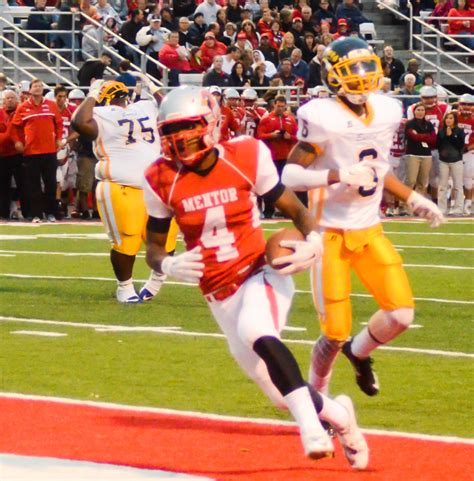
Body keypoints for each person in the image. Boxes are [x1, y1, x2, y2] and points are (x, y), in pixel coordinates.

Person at [142, 85, 369, 469]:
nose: (179, 137)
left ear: (210, 123)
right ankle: (343, 418)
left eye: (187, 126)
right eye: (170, 130)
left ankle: (311, 431)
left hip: (258, 271)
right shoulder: (160, 177)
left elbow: (295, 209)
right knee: (280, 391)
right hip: (216, 290)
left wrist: (314, 240)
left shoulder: (245, 155)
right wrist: (166, 265)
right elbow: (153, 246)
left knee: (255, 330)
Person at [281, 38, 444, 397]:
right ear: (332, 76)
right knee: (335, 331)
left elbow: (379, 169)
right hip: (329, 235)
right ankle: (317, 396)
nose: (360, 77)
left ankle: (359, 353)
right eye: (350, 71)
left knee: (401, 315)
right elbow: (289, 177)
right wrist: (338, 176)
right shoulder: (321, 115)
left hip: (370, 230)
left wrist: (413, 197)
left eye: (365, 68)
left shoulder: (387, 110)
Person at [71, 77, 177, 303]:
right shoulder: (145, 107)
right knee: (163, 240)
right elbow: (172, 109)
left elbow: (79, 122)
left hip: (125, 184)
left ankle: (126, 287)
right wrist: (155, 88)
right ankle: (151, 283)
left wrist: (91, 93)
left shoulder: (102, 113)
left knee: (129, 242)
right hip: (150, 185)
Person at [11, 78, 63, 223]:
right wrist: (17, 142)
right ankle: (36, 214)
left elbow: (59, 124)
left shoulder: (51, 105)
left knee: (51, 184)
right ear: (30, 89)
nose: (38, 88)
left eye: (40, 86)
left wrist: (59, 139)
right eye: (35, 86)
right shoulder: (22, 107)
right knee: (33, 185)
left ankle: (51, 213)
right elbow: (14, 127)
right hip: (31, 152)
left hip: (49, 150)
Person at [257, 94, 298, 218]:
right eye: (278, 106)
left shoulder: (291, 119)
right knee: (270, 185)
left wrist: (289, 137)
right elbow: (259, 136)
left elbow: (298, 137)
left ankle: (286, 211)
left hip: (286, 156)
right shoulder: (266, 119)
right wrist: (272, 135)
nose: (280, 108)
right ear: (274, 104)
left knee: (285, 185)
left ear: (286, 106)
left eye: (282, 106)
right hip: (271, 157)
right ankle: (269, 211)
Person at [0, 90, 28, 220]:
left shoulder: (22, 112)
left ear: (17, 100)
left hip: (18, 153)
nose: (9, 100)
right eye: (7, 98)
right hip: (3, 154)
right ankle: (3, 213)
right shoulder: (0, 113)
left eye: (12, 98)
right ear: (3, 101)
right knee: (3, 186)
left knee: (24, 184)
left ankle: (29, 212)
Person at [437, 111, 466, 215]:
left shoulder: (459, 131)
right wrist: (446, 135)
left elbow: (460, 145)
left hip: (456, 160)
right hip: (443, 161)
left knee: (458, 185)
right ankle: (442, 209)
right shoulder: (440, 131)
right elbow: (439, 145)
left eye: (451, 118)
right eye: (447, 118)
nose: (448, 120)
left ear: (455, 120)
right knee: (442, 186)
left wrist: (451, 135)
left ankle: (458, 208)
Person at [457, 93, 474, 215]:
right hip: (454, 151)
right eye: (464, 104)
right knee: (453, 180)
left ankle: (468, 203)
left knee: (468, 179)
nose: (467, 107)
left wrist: (468, 148)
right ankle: (455, 204)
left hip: (470, 152)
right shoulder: (454, 116)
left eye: (469, 104)